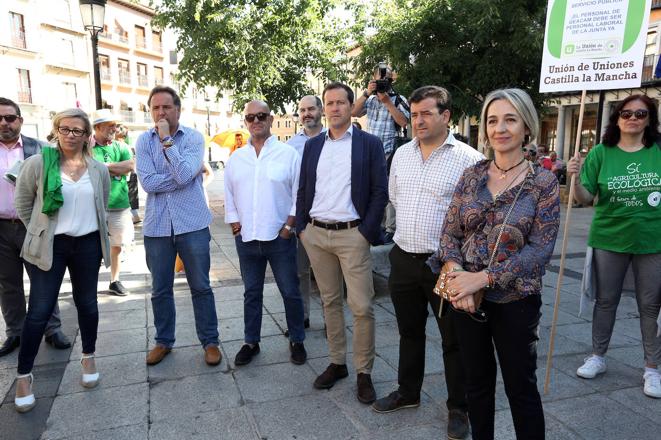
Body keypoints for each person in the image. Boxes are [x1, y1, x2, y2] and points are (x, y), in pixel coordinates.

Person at [431, 88, 560, 439]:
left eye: (510, 119)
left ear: (526, 126)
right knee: (476, 385)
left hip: (516, 301)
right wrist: (457, 277)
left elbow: (539, 250)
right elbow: (449, 233)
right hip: (465, 301)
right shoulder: (471, 176)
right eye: (492, 120)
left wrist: (482, 279)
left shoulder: (543, 182)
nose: (499, 128)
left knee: (521, 389)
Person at [373, 86, 483, 439]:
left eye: (426, 113)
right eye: (415, 114)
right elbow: (394, 198)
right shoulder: (402, 155)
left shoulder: (469, 159)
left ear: (446, 116)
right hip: (404, 258)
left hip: (447, 265)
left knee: (454, 339)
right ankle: (408, 392)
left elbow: (477, 217)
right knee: (409, 332)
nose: (418, 120)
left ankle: (459, 407)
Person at [13, 108, 112, 412]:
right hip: (52, 246)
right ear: (56, 131)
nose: (71, 135)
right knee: (39, 310)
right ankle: (24, 376)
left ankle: (89, 356)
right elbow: (24, 203)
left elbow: (102, 204)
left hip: (88, 245)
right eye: (65, 129)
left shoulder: (98, 169)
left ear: (87, 135)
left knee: (88, 305)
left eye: (78, 131)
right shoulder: (38, 164)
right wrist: (40, 233)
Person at [297, 82, 388, 404]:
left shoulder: (369, 144)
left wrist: (365, 232)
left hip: (353, 234)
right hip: (316, 235)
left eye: (340, 103)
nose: (334, 108)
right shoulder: (312, 146)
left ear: (351, 107)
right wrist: (302, 228)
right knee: (329, 302)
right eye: (329, 103)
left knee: (362, 306)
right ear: (324, 108)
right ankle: (337, 363)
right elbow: (304, 188)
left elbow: (380, 191)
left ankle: (364, 371)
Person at [568, 94, 661, 399]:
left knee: (650, 305)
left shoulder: (659, 151)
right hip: (609, 238)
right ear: (617, 117)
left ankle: (651, 368)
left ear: (649, 119)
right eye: (626, 112)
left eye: (641, 113)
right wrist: (575, 179)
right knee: (606, 300)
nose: (633, 118)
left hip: (653, 240)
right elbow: (584, 197)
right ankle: (597, 356)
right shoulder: (601, 153)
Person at [136, 86, 220, 367]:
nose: (160, 113)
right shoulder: (142, 141)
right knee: (160, 289)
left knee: (201, 286)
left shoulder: (195, 138)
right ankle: (163, 341)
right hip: (157, 227)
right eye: (155, 108)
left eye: (166, 107)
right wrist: (180, 176)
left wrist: (167, 141)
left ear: (178, 110)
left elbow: (185, 175)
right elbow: (147, 183)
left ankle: (210, 342)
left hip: (193, 224)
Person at [225, 100, 307, 366]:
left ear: (271, 119)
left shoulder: (288, 154)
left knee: (290, 291)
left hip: (279, 236)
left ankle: (297, 339)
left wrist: (288, 228)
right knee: (251, 292)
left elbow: (299, 194)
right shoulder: (237, 158)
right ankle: (251, 341)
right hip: (247, 239)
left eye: (261, 116)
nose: (256, 121)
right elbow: (229, 194)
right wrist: (235, 226)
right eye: (250, 117)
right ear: (245, 122)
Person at [0, 97, 70, 358]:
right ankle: (15, 333)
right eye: (0, 118)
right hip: (1, 229)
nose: (4, 123)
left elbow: (57, 184)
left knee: (44, 278)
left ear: (20, 120)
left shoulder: (40, 149)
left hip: (34, 225)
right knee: (8, 284)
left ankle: (52, 329)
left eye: (9, 117)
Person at [352, 65, 410, 242]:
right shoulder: (369, 99)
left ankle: (390, 228)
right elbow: (352, 112)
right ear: (373, 79)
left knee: (388, 190)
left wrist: (387, 102)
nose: (382, 83)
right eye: (379, 80)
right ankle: (373, 224)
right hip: (369, 152)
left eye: (386, 80)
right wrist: (366, 93)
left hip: (390, 151)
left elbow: (404, 122)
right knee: (370, 189)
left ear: (392, 80)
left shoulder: (399, 99)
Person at [287, 95, 326, 330]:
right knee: (299, 272)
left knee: (328, 274)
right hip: (301, 219)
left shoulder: (335, 139)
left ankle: (331, 322)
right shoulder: (291, 146)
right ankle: (302, 318)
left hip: (327, 218)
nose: (306, 114)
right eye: (302, 110)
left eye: (311, 108)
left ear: (320, 110)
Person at [91, 109, 135, 296]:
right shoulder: (87, 147)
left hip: (119, 205)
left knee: (117, 245)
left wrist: (102, 167)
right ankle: (88, 283)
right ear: (98, 127)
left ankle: (114, 280)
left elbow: (130, 166)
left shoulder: (121, 147)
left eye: (115, 125)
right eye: (110, 125)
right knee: (91, 247)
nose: (114, 128)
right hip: (94, 206)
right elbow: (86, 168)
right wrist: (115, 169)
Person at [116, 124, 141, 224]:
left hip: (128, 176)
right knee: (131, 198)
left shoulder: (123, 146)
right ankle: (135, 216)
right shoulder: (126, 146)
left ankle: (134, 216)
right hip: (130, 175)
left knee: (129, 197)